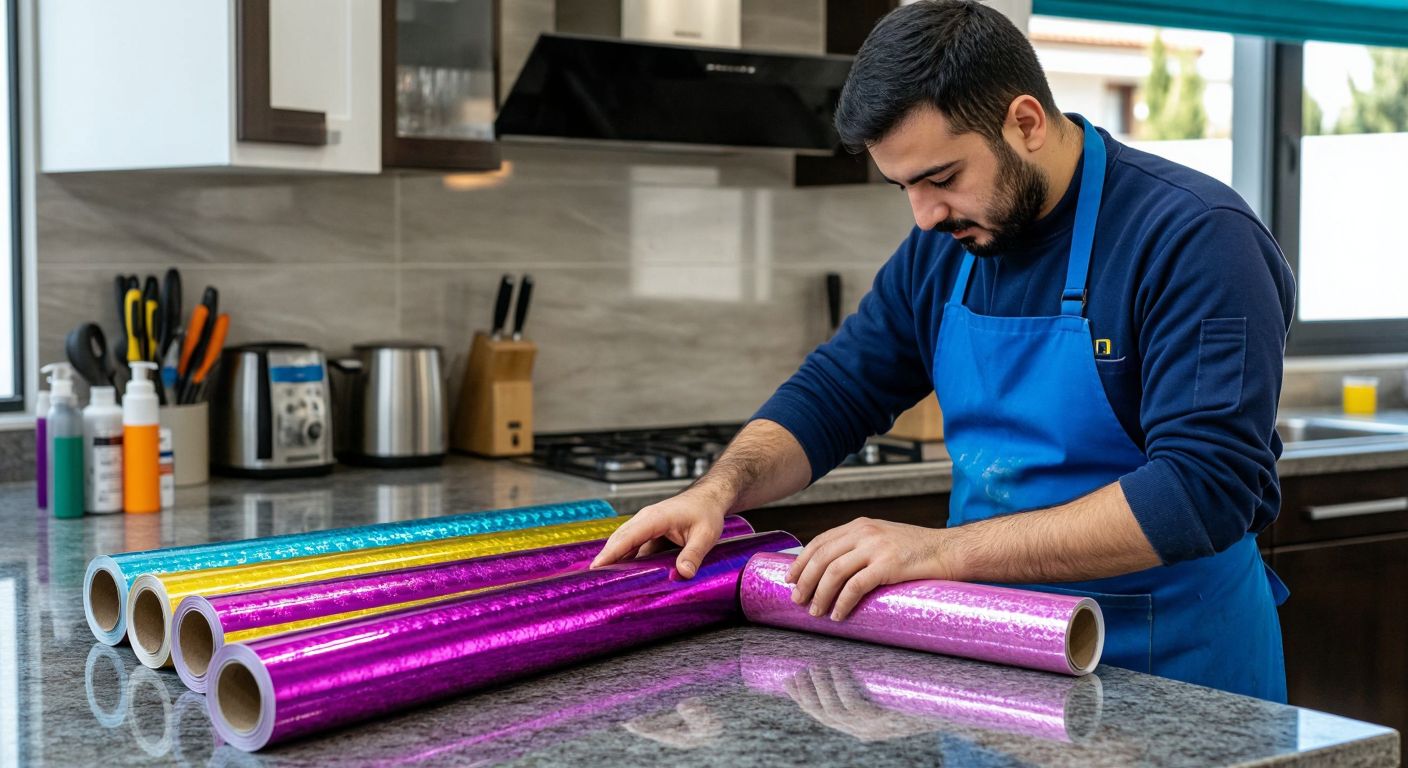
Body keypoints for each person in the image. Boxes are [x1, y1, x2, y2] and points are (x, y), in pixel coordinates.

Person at [592, 0, 1295, 701]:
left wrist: (938, 551)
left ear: (1025, 122)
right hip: (989, 655)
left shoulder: (1197, 239)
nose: (924, 215)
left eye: (942, 178)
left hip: (1174, 669)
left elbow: (1205, 490)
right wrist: (718, 491)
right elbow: (837, 392)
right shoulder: (944, 250)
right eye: (904, 187)